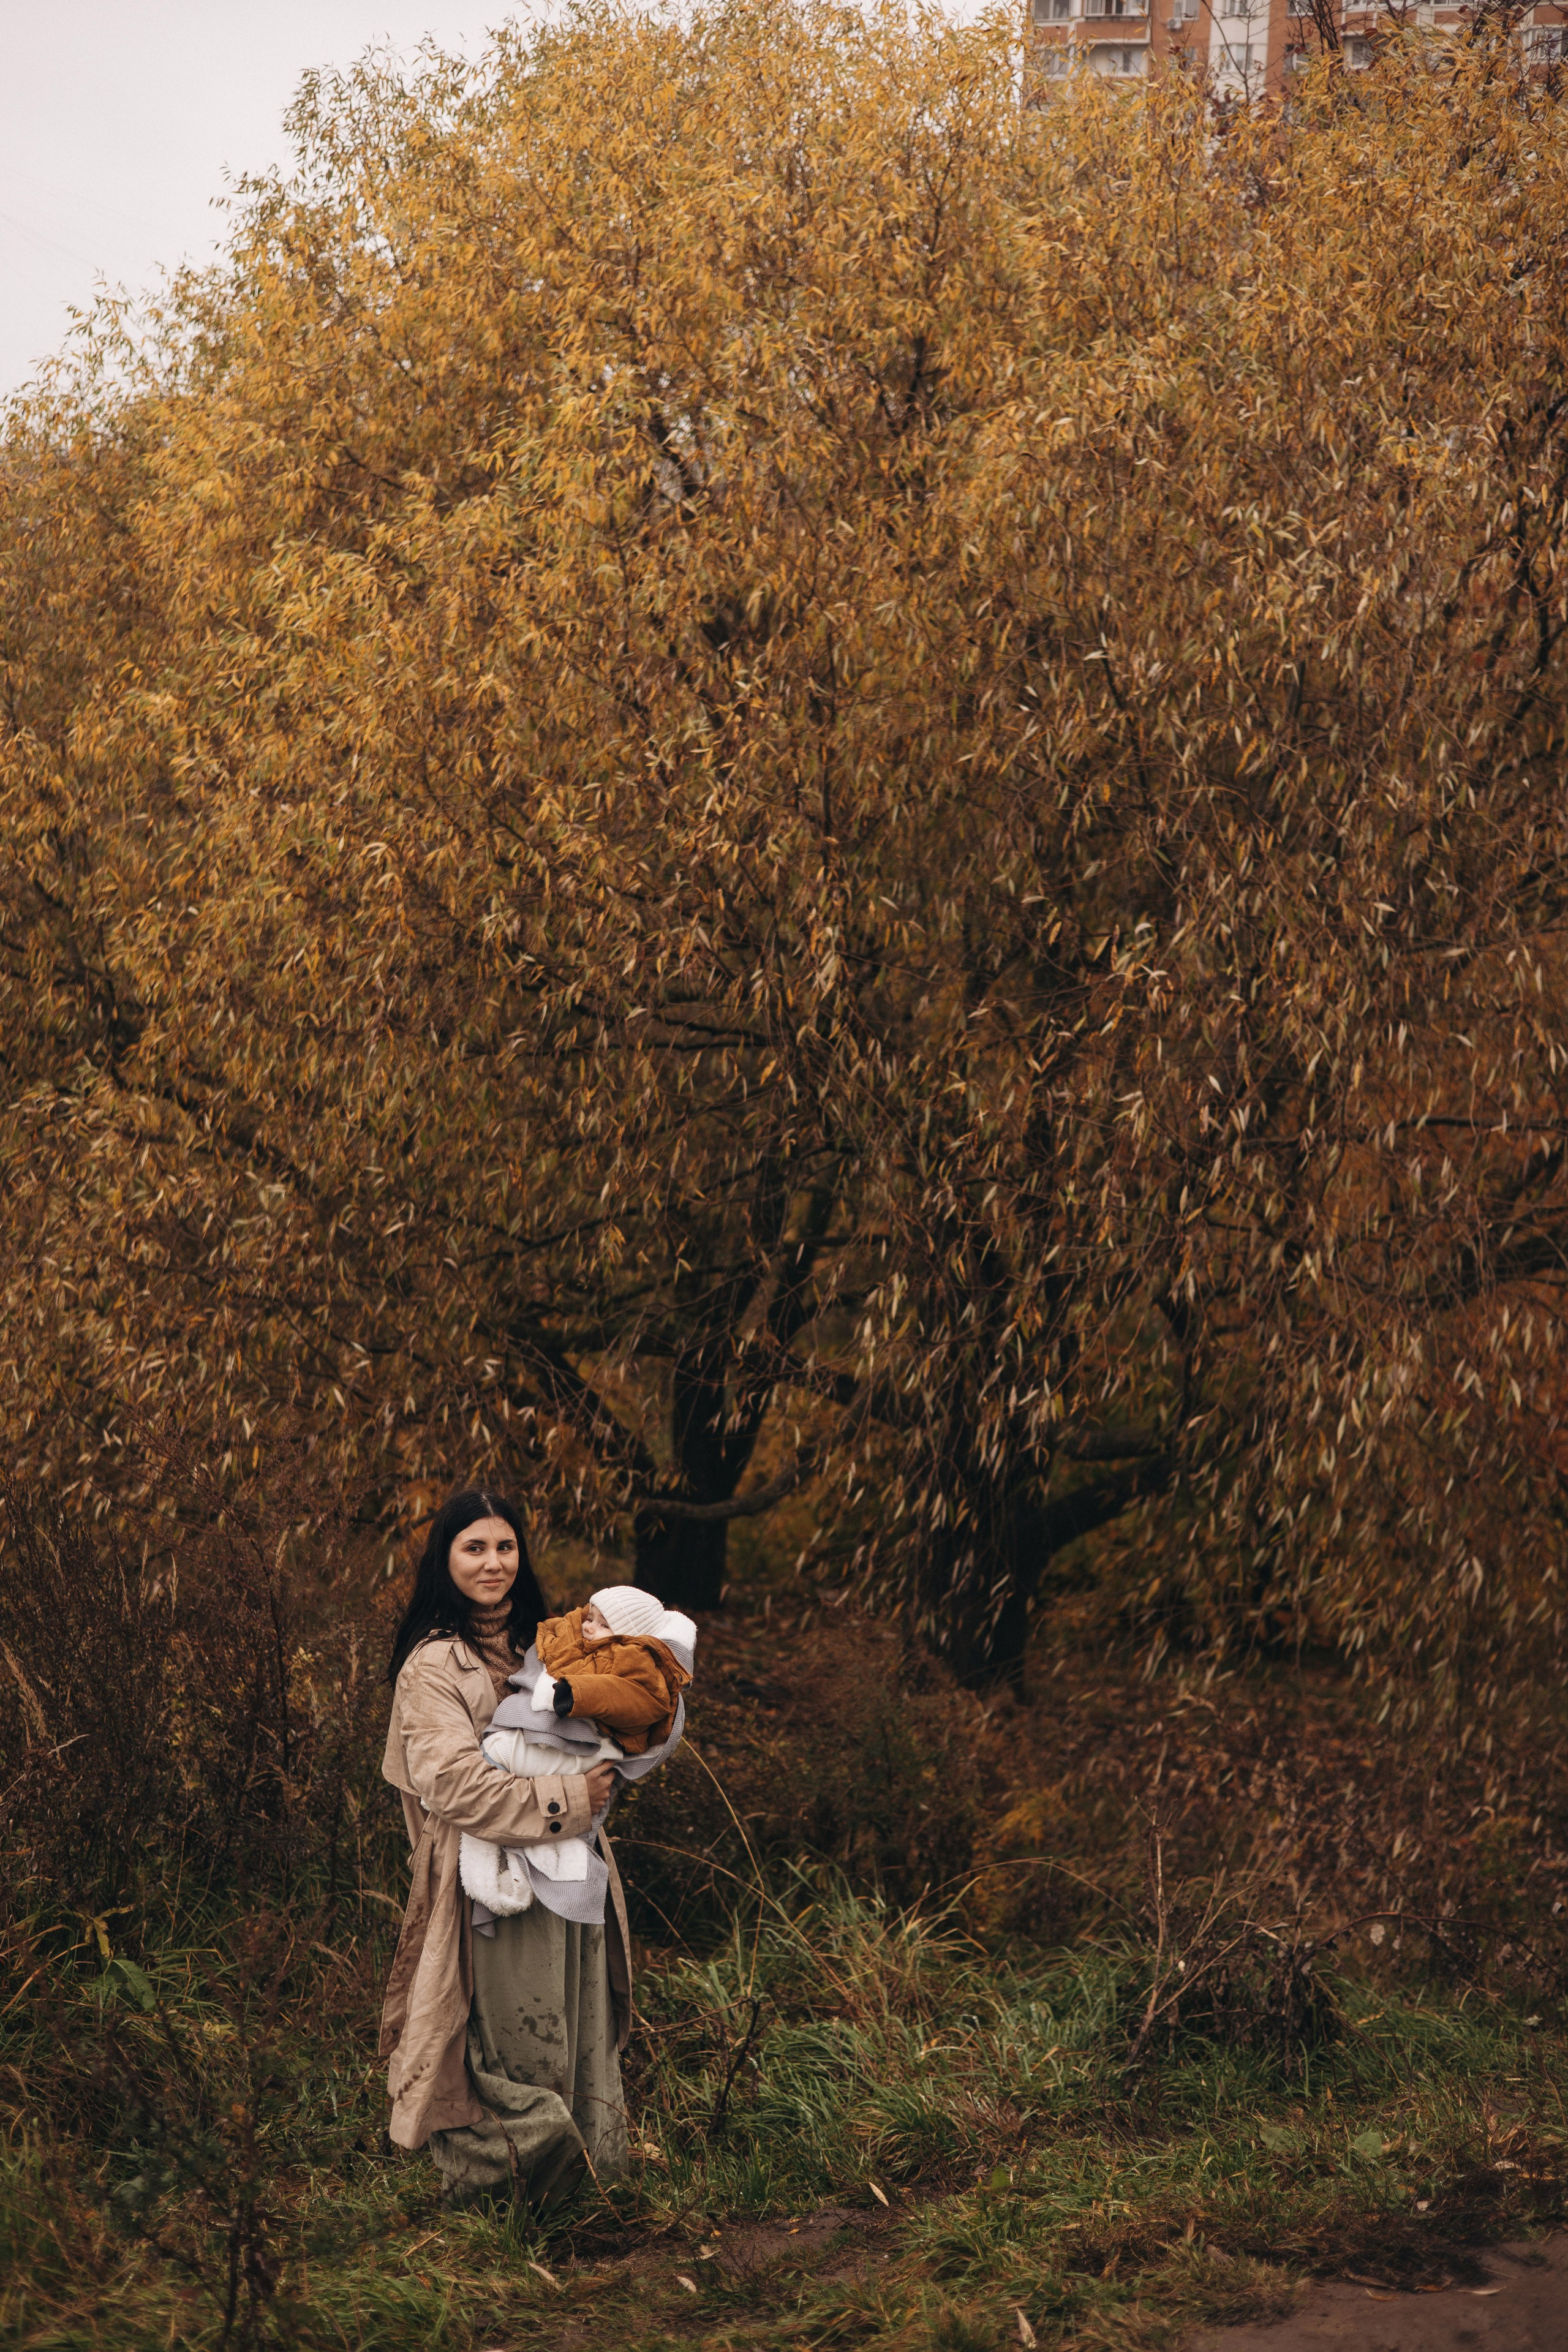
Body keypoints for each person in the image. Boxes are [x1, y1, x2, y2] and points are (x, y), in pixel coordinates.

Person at [379, 1489, 631, 2212]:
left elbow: (611, 1728)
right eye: (474, 1548)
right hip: (490, 1885)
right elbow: (455, 1787)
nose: (494, 1563)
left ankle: (592, 2203)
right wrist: (573, 1798)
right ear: (445, 1559)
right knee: (521, 2047)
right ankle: (508, 2201)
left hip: (572, 1870)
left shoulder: (546, 1646)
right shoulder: (433, 1666)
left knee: (584, 2034)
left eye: (506, 1547)